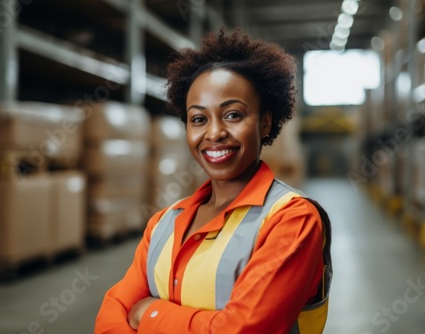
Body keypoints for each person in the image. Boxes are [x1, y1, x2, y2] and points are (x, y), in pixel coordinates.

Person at [95, 28, 332, 334]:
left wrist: (151, 314)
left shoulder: (292, 220)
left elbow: (245, 329)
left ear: (265, 124)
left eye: (233, 115)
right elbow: (112, 311)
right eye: (198, 119)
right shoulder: (164, 223)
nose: (214, 133)